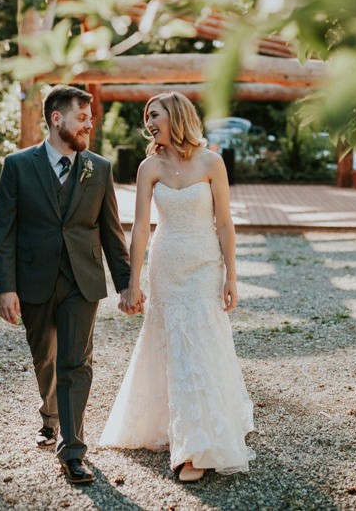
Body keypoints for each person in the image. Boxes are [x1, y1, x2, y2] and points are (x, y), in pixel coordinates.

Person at [100, 91, 255, 482]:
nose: (149, 122)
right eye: (147, 116)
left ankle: (199, 442)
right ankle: (182, 437)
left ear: (177, 116)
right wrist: (130, 283)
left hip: (204, 265)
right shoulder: (148, 167)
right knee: (172, 345)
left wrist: (231, 275)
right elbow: (137, 229)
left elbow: (224, 223)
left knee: (201, 344)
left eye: (156, 115)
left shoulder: (211, 162)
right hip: (165, 264)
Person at [0, 84, 140, 484]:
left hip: (82, 281)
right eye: (82, 117)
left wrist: (127, 283)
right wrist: (5, 287)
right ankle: (51, 415)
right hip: (34, 281)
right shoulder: (18, 166)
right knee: (46, 359)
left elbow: (111, 232)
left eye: (90, 119)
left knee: (76, 363)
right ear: (57, 119)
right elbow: (3, 231)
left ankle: (72, 449)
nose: (89, 125)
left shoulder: (99, 168)